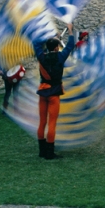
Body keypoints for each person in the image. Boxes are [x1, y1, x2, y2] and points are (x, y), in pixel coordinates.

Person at [33, 23, 75, 159]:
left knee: (42, 122)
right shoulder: (60, 57)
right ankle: (50, 153)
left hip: (42, 92)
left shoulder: (42, 56)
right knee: (52, 123)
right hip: (54, 93)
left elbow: (36, 43)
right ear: (57, 48)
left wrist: (50, 36)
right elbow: (70, 46)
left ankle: (41, 151)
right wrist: (70, 30)